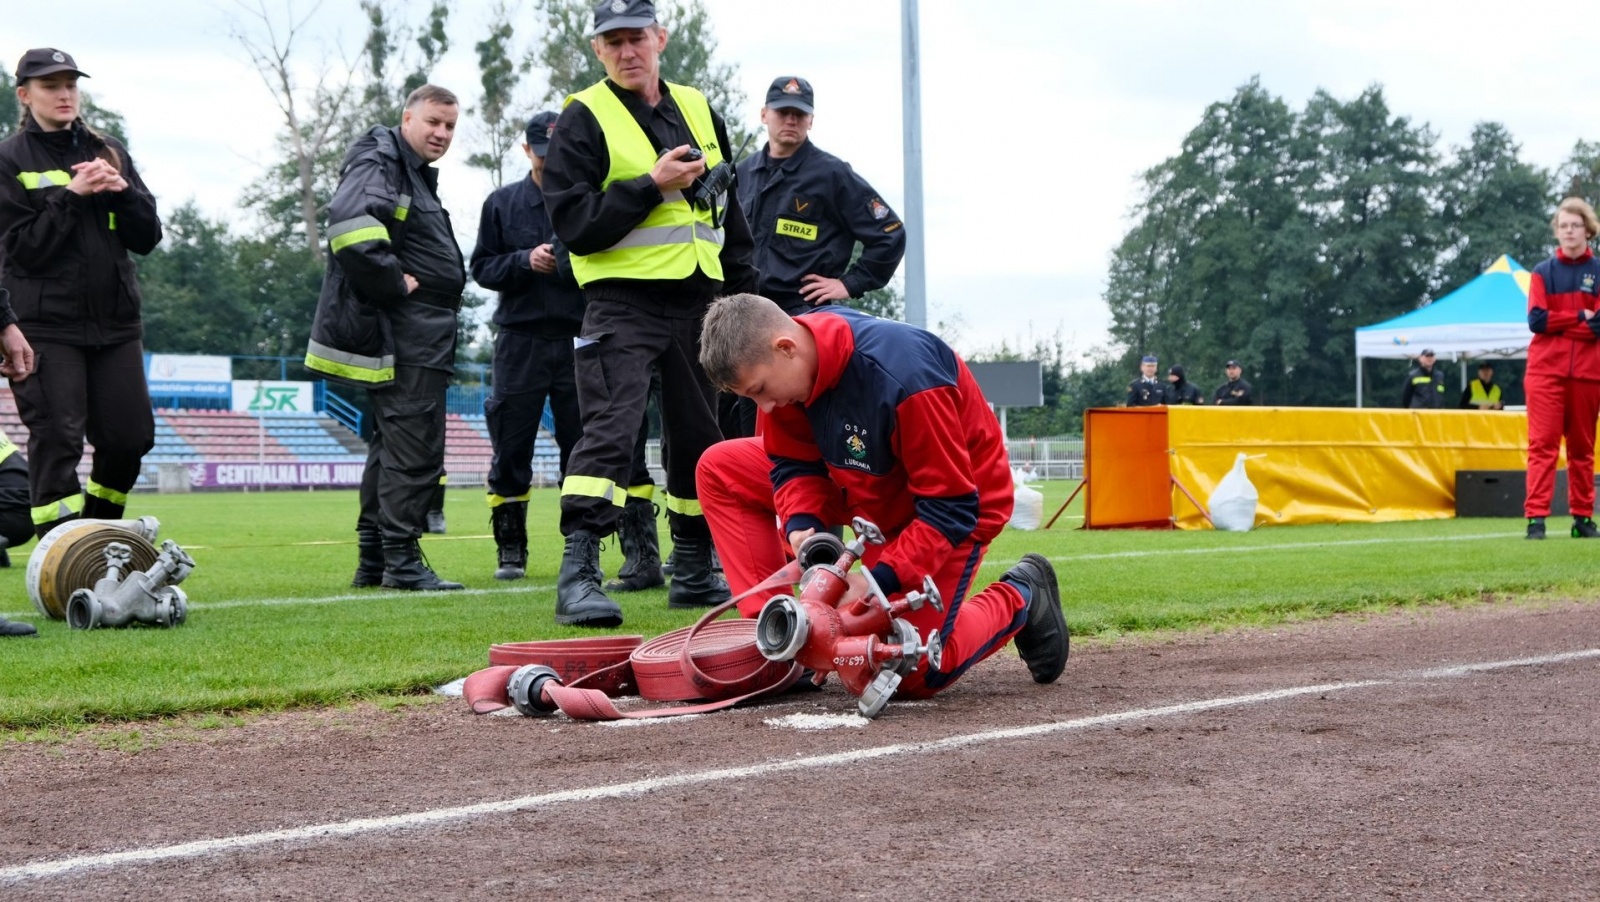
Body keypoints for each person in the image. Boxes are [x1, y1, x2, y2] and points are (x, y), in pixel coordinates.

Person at [695, 294, 1070, 697]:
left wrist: (875, 581)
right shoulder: (789, 363)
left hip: (953, 504)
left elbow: (950, 508)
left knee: (906, 668)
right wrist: (803, 523)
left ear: (786, 347)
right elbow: (792, 463)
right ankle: (781, 642)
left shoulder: (907, 375)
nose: (763, 406)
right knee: (720, 467)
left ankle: (1022, 595)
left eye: (761, 390)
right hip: (864, 482)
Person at [540, 0, 759, 626]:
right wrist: (651, 186)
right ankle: (578, 573)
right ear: (597, 51)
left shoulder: (696, 104)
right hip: (621, 302)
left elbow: (727, 209)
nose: (627, 51)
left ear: (660, 37)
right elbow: (575, 227)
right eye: (613, 42)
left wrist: (747, 294)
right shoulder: (582, 118)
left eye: (637, 37)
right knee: (609, 432)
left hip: (700, 301)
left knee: (701, 440)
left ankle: (693, 568)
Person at [305, 84, 468, 590]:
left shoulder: (403, 168)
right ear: (408, 118)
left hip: (419, 330)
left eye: (450, 127)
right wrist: (394, 282)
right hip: (408, 328)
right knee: (414, 446)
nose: (441, 133)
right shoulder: (382, 159)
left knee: (392, 445)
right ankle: (401, 561)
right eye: (433, 123)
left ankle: (375, 560)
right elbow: (352, 230)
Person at [0, 48, 161, 538]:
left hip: (115, 323)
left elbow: (148, 237)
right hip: (45, 325)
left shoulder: (108, 148)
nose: (64, 93)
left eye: (71, 83)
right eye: (51, 86)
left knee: (130, 438)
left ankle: (99, 536)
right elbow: (20, 251)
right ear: (25, 96)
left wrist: (122, 193)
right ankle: (61, 553)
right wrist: (71, 197)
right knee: (58, 438)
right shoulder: (8, 159)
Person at [727, 75, 907, 437]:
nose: (790, 120)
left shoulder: (830, 174)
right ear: (765, 115)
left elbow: (890, 234)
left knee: (796, 425)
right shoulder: (742, 173)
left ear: (811, 120)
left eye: (799, 114)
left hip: (801, 317)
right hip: (746, 318)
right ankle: (756, 493)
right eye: (782, 112)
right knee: (744, 423)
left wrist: (849, 283)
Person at [469, 110, 588, 581]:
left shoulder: (585, 203)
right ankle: (511, 550)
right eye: (541, 153)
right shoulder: (501, 203)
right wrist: (523, 260)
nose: (548, 161)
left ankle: (578, 549)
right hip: (519, 341)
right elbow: (480, 268)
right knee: (511, 447)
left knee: (579, 449)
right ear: (526, 151)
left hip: (577, 340)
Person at [1524, 197, 1600, 541]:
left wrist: (1561, 323)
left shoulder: (1598, 271)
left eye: (1575, 225)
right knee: (1543, 445)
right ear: (1557, 231)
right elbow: (1536, 321)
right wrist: (1578, 318)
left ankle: (1582, 518)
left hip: (1588, 374)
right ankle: (1536, 519)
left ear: (1588, 230)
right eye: (1563, 225)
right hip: (1545, 373)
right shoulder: (1541, 273)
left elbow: (1598, 327)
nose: (1569, 231)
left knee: (1583, 449)